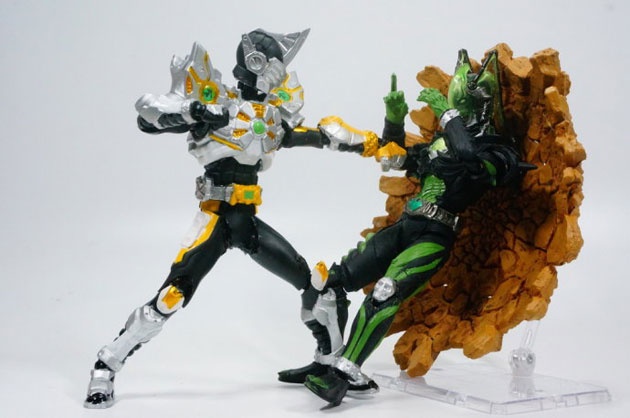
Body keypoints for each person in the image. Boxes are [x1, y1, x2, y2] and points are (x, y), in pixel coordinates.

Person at [84, 28, 380, 409]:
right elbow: (148, 115)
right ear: (255, 63)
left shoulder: (270, 117)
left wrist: (370, 144)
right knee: (172, 297)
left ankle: (328, 365)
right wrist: (193, 112)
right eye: (273, 65)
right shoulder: (217, 104)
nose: (278, 73)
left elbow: (317, 136)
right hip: (216, 220)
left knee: (317, 288)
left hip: (247, 225)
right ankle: (107, 362)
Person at [301, 50, 533, 406]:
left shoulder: (496, 151)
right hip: (406, 225)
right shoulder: (441, 143)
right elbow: (395, 157)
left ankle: (344, 374)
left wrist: (446, 113)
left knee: (386, 290)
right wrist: (393, 121)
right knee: (331, 281)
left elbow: (470, 160)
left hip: (435, 235)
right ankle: (326, 359)